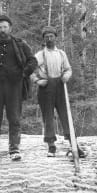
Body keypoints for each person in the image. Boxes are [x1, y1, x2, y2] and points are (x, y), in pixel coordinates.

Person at [0, 14, 37, 161]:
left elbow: (33, 61)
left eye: (5, 27)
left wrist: (24, 73)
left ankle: (14, 149)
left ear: (10, 28)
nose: (2, 29)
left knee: (14, 118)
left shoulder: (20, 44)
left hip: (14, 87)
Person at [30, 26, 86, 158]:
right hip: (46, 88)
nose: (49, 39)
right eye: (46, 37)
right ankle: (51, 146)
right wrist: (38, 81)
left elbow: (68, 69)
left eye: (51, 36)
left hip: (60, 87)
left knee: (66, 116)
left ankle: (74, 145)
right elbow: (30, 70)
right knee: (48, 117)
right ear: (44, 39)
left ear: (55, 38)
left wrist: (67, 75)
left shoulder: (61, 54)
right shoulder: (39, 55)